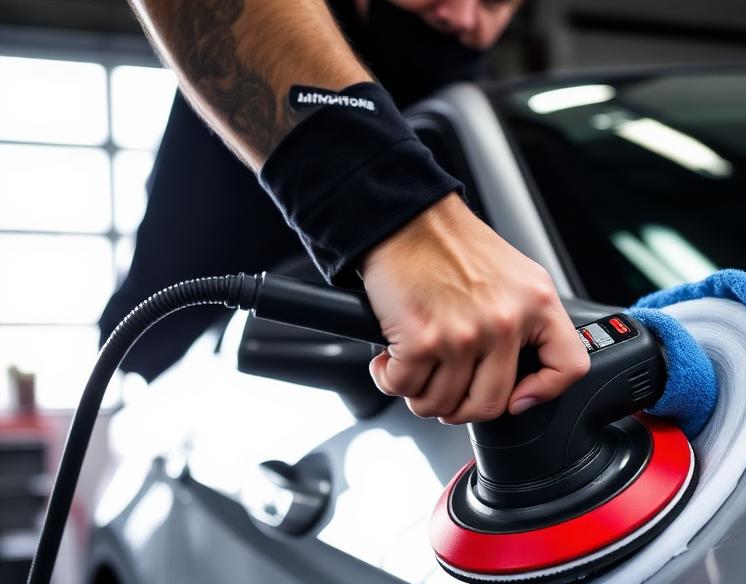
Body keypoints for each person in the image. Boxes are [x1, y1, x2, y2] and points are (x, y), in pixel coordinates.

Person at [101, 0, 588, 423]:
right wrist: (403, 226)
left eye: (495, 2)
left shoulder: (500, 128)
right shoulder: (250, 62)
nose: (462, 17)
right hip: (196, 390)